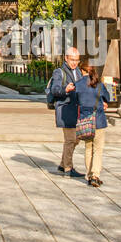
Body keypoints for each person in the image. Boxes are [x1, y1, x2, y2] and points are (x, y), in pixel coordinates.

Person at [46, 47, 86, 178]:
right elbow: (55, 90)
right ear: (66, 58)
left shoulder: (79, 71)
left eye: (77, 60)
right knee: (70, 139)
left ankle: (63, 164)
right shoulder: (59, 72)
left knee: (77, 139)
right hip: (65, 109)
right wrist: (66, 89)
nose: (75, 63)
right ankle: (68, 168)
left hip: (77, 109)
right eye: (72, 60)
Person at [73, 60, 113, 187]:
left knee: (88, 148)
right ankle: (95, 175)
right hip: (99, 119)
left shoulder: (78, 84)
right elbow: (108, 97)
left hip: (85, 121)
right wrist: (103, 103)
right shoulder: (99, 84)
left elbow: (75, 100)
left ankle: (89, 175)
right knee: (98, 149)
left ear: (82, 70)